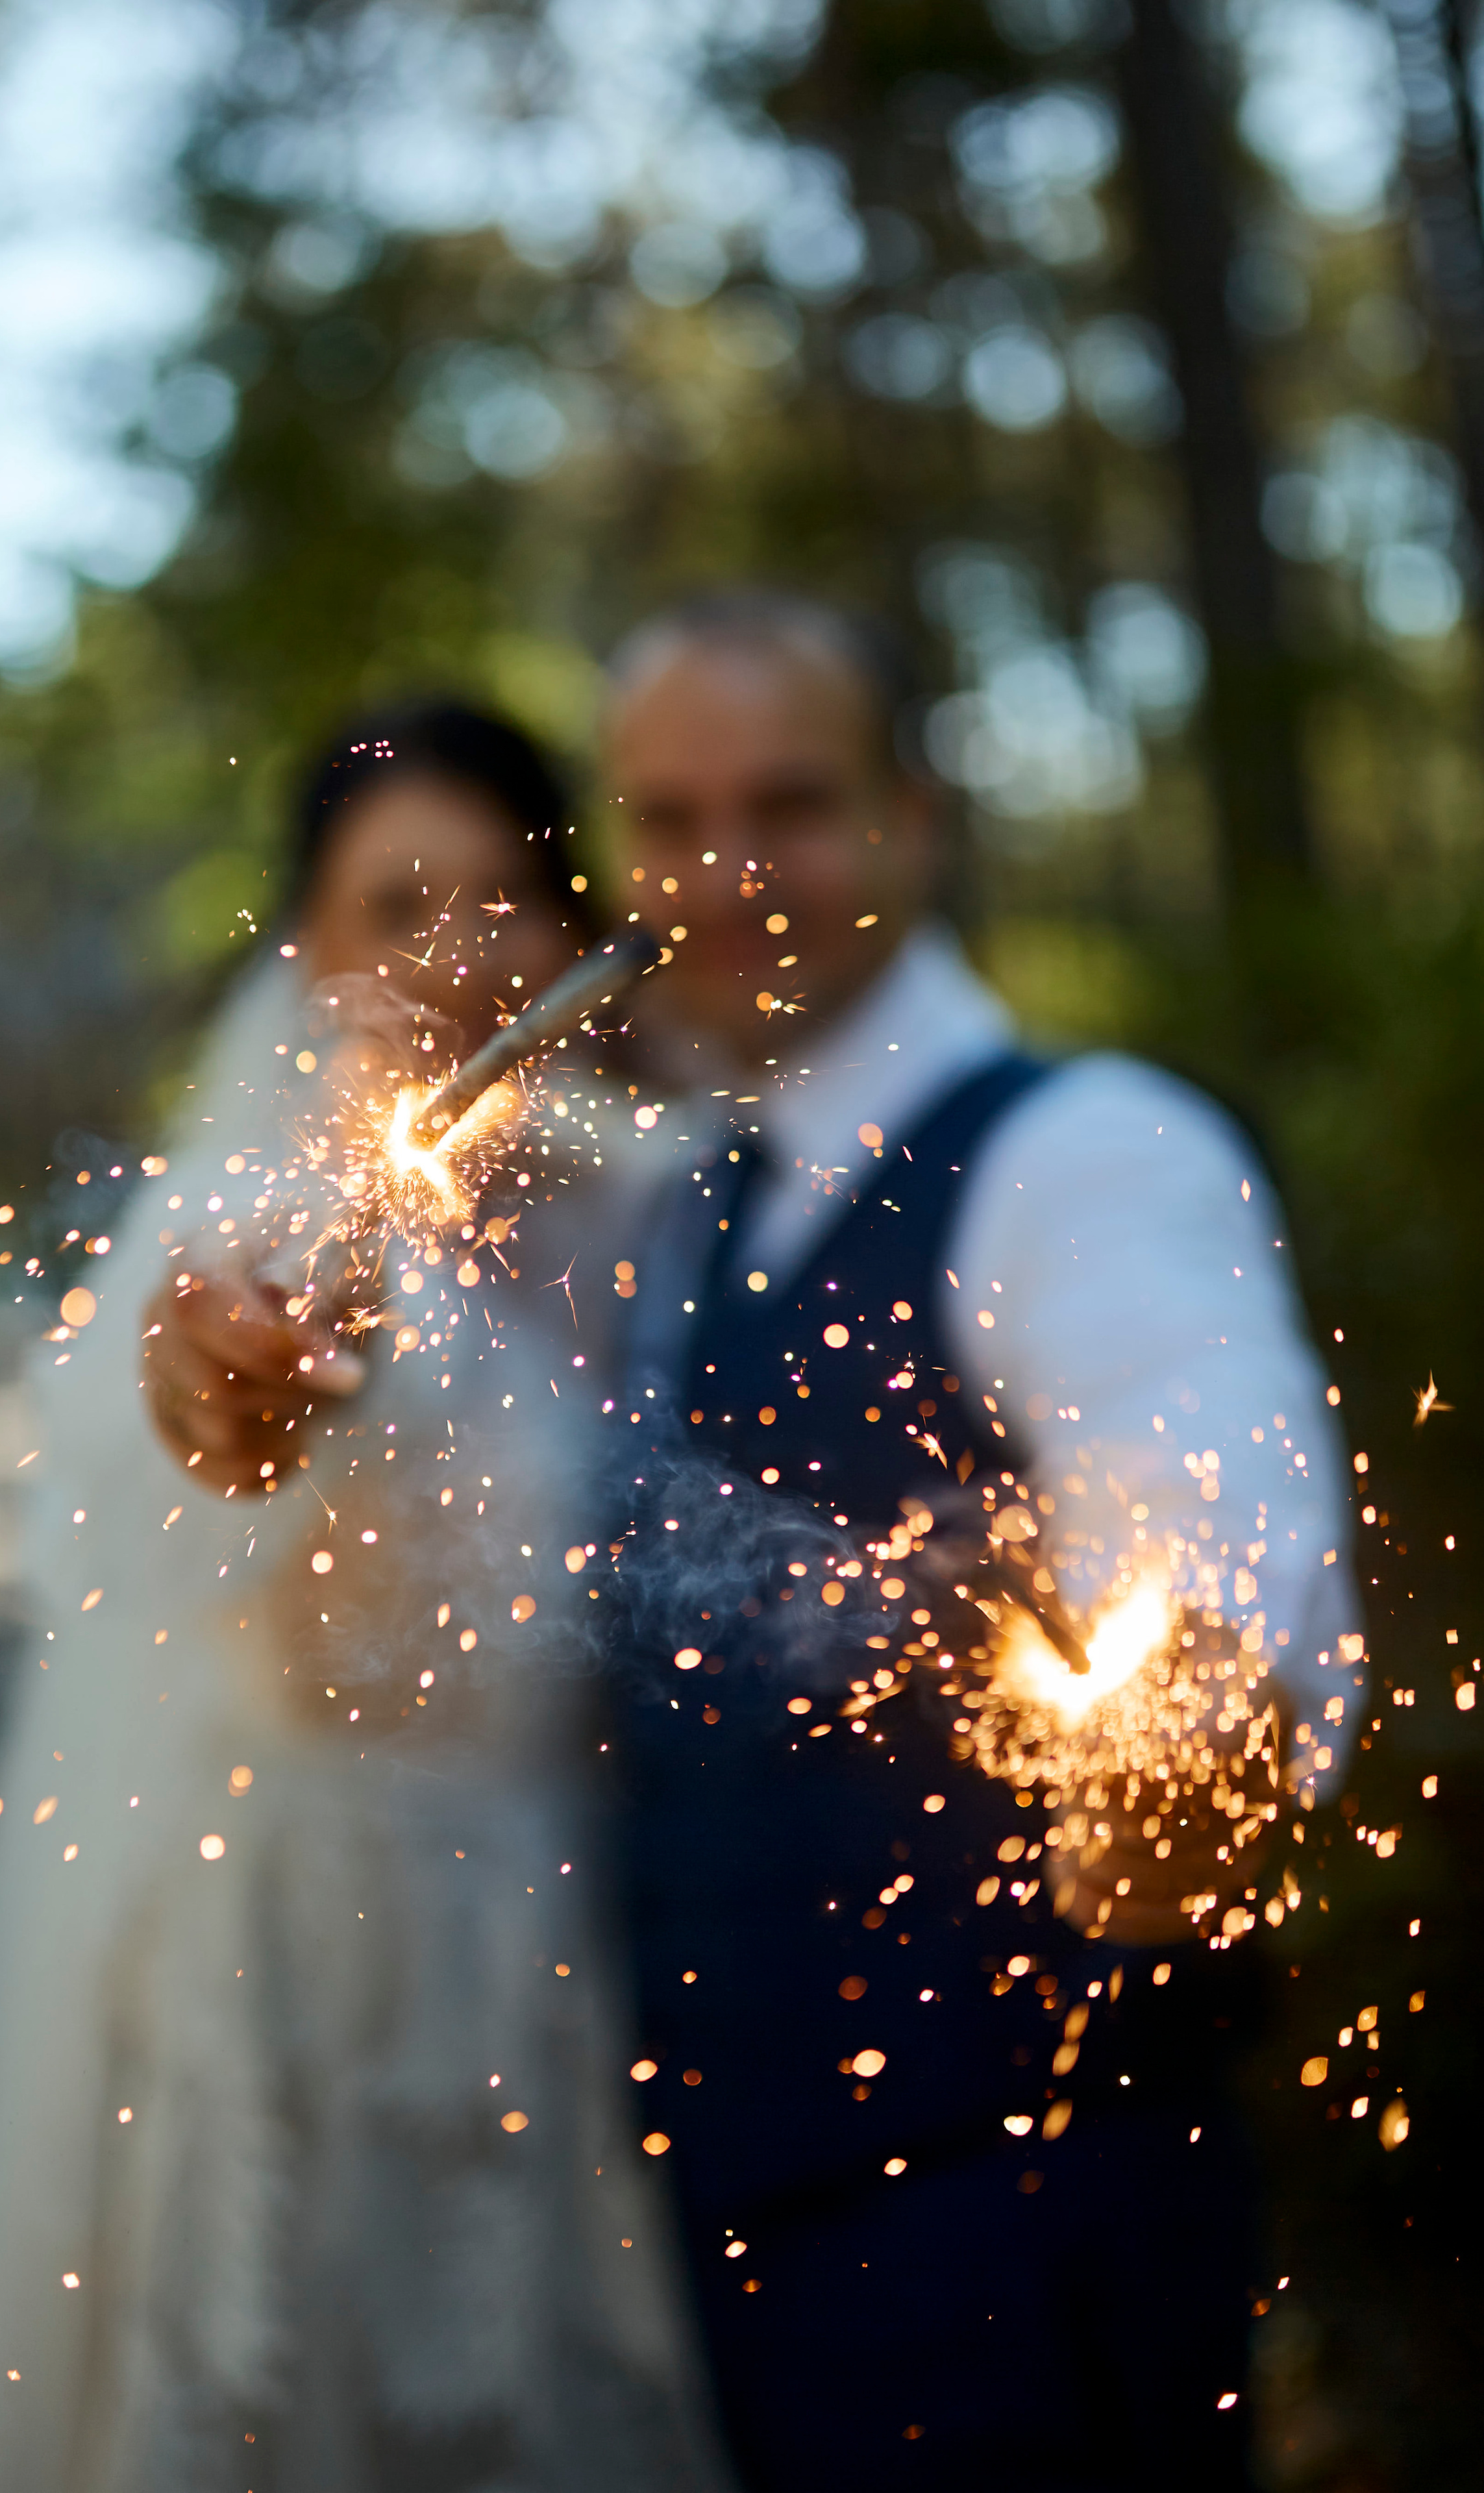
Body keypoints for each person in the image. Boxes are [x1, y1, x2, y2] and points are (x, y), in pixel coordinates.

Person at [0, 701, 736, 2493]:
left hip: (555, 1965)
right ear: (307, 950)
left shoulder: (644, 1208)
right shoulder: (270, 1210)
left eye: (507, 895)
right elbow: (168, 1438)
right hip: (305, 1977)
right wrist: (225, 1408)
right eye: (399, 906)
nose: (462, 952)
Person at [591, 592, 1362, 2492]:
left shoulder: (1084, 1155)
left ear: (913, 821)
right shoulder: (694, 1203)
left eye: (789, 804)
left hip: (1031, 2232)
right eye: (671, 822)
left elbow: (1223, 1551)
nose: (726, 873)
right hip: (759, 2226)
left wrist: (1203, 1735)